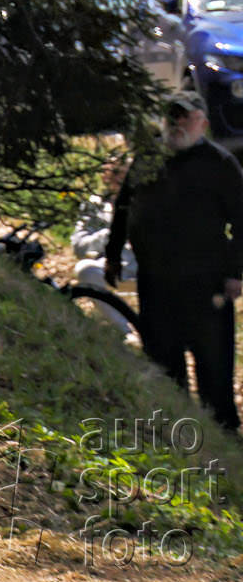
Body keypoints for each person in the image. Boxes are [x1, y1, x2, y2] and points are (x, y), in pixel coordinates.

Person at [106, 90, 243, 429]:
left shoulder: (220, 164)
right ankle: (172, 429)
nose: (178, 122)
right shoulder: (148, 157)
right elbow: (124, 206)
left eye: (186, 116)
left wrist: (235, 273)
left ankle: (224, 437)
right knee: (163, 365)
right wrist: (113, 253)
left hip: (207, 284)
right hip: (155, 281)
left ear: (203, 123)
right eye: (173, 115)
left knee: (214, 369)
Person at [72, 157, 135, 334]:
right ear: (105, 176)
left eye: (127, 174)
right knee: (85, 269)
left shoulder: (151, 203)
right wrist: (111, 234)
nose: (121, 179)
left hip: (152, 271)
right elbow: (79, 246)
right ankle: (125, 332)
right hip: (111, 269)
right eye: (116, 172)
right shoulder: (95, 205)